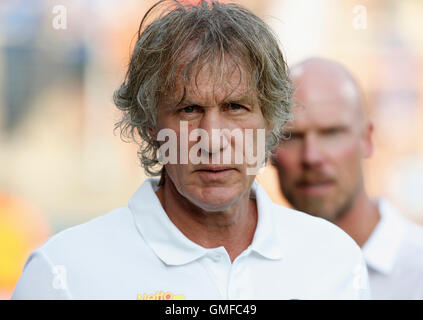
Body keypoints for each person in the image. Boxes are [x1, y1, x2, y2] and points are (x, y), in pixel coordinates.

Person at [12, 1, 368, 300]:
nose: (211, 140)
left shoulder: (334, 262)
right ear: (150, 124)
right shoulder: (64, 273)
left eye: (235, 107)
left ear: (271, 122)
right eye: (189, 110)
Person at [272, 57, 423, 299]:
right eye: (292, 136)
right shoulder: (255, 275)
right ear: (269, 150)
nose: (311, 156)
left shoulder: (416, 271)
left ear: (367, 139)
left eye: (331, 133)